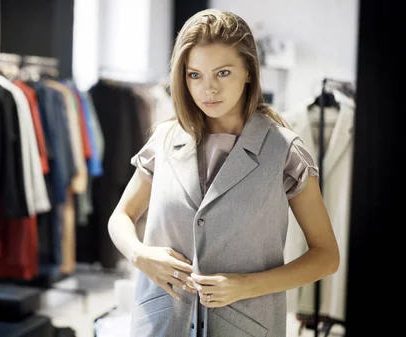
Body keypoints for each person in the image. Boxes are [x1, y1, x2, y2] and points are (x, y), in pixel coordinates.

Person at [107, 9, 340, 337]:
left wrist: (247, 286)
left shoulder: (284, 151)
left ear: (248, 72)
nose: (208, 89)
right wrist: (140, 254)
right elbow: (121, 217)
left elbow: (326, 256)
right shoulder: (165, 140)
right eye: (195, 75)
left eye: (223, 73)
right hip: (161, 326)